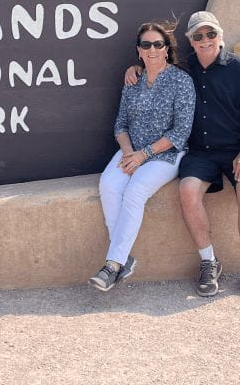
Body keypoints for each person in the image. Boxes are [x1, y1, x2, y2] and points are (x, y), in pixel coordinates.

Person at [125, 11, 240, 298]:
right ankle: (209, 261)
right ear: (190, 41)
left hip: (237, 150)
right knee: (188, 190)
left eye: (210, 34)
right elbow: (154, 65)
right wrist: (136, 68)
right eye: (198, 36)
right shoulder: (182, 69)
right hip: (200, 151)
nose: (205, 40)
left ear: (220, 36)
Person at [89, 21, 195, 291]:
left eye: (158, 44)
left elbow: (180, 132)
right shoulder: (133, 80)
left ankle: (112, 265)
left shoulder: (181, 82)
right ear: (139, 51)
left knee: (135, 191)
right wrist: (127, 152)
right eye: (146, 45)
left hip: (165, 155)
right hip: (131, 150)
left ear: (166, 49)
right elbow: (120, 124)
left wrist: (143, 155)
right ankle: (123, 260)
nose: (152, 49)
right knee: (109, 185)